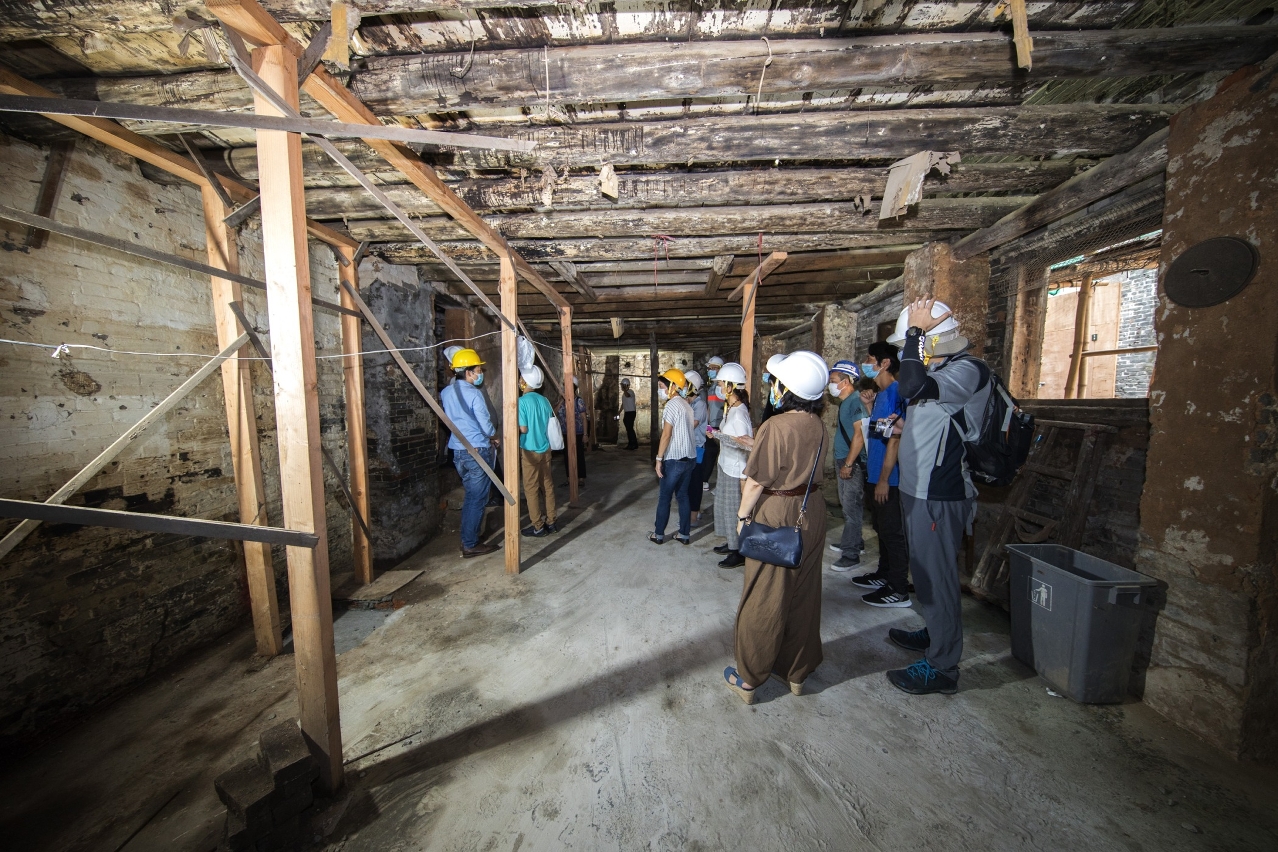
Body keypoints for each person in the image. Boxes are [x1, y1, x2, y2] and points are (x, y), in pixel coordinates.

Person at [884, 298, 992, 695]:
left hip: (940, 494)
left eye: (908, 346)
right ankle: (935, 633)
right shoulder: (941, 371)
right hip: (918, 491)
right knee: (926, 572)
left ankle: (943, 666)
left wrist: (915, 332)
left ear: (929, 342)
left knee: (939, 577)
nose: (904, 355)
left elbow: (911, 385)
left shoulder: (968, 369)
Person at [723, 351, 829, 704]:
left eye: (775, 381)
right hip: (811, 510)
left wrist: (742, 518)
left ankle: (749, 677)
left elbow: (756, 482)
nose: (772, 386)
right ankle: (796, 671)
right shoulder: (818, 425)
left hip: (779, 512)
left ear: (786, 389)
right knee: (803, 594)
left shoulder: (775, 425)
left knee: (764, 596)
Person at [852, 341, 912, 609]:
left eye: (869, 359)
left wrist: (885, 480)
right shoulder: (881, 394)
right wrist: (868, 407)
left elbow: (896, 440)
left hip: (889, 477)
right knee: (881, 529)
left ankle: (898, 589)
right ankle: (884, 574)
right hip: (876, 472)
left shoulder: (897, 392)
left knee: (892, 531)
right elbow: (880, 431)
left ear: (884, 363)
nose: (866, 363)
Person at [439, 348, 500, 558]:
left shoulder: (446, 393)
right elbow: (486, 425)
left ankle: (468, 538)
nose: (480, 373)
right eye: (478, 370)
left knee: (471, 496)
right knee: (477, 499)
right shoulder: (474, 393)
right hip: (477, 451)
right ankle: (470, 544)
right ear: (468, 372)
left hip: (458, 451)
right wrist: (493, 435)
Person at [708, 362, 753, 568]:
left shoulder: (739, 414)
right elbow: (732, 438)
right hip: (726, 465)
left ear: (729, 386)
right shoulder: (731, 408)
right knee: (725, 508)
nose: (718, 387)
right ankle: (732, 542)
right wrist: (718, 434)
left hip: (735, 470)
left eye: (720, 384)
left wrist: (744, 477)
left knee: (734, 509)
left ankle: (738, 552)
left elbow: (744, 445)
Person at [828, 360, 867, 572]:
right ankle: (855, 542)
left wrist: (849, 463)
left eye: (833, 380)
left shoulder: (855, 401)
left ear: (845, 382)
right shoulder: (846, 402)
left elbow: (859, 435)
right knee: (847, 505)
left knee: (851, 507)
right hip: (844, 459)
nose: (830, 385)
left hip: (851, 462)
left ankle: (851, 555)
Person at [650, 369, 697, 545]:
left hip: (674, 460)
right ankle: (684, 535)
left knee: (665, 497)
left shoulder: (671, 405)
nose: (660, 390)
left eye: (661, 386)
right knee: (683, 496)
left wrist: (658, 459)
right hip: (689, 458)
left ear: (672, 386)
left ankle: (658, 534)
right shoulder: (686, 405)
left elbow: (666, 435)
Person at [516, 365, 558, 537]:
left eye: (521, 378)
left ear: (526, 382)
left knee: (531, 488)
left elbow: (524, 429)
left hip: (529, 450)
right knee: (547, 486)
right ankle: (552, 521)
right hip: (545, 448)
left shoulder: (521, 402)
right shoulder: (544, 400)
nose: (519, 380)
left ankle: (538, 526)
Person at [684, 370, 709, 526]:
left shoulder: (699, 404)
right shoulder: (689, 403)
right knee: (688, 483)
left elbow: (692, 424)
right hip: (689, 448)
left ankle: (693, 517)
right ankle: (694, 511)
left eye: (685, 385)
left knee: (695, 483)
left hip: (697, 448)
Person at [556, 376, 588, 486]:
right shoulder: (562, 401)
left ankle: (581, 478)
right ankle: (569, 477)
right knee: (567, 456)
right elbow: (554, 412)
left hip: (577, 433)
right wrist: (562, 400)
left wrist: (585, 434)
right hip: (565, 433)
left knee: (579, 455)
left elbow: (584, 418)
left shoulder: (579, 401)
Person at [703, 356, 725, 485]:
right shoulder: (711, 387)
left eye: (714, 368)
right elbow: (709, 407)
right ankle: (705, 480)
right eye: (709, 368)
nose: (711, 370)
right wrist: (707, 424)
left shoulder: (723, 387)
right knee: (710, 452)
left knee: (719, 454)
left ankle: (709, 481)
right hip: (711, 425)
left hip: (721, 425)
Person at [619, 377, 638, 449]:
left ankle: (633, 444)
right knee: (629, 429)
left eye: (622, 385)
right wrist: (619, 412)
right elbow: (623, 404)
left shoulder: (630, 392)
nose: (621, 387)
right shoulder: (624, 394)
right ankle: (632, 444)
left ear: (626, 385)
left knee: (630, 429)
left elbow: (628, 396)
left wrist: (624, 390)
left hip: (631, 412)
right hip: (627, 412)